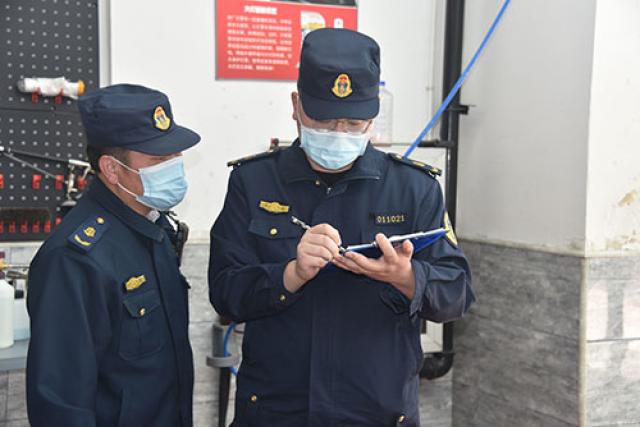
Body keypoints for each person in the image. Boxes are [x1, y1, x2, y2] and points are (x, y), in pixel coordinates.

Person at [209, 28, 475, 427]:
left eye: (353, 122)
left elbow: (457, 293)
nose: (338, 133)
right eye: (324, 120)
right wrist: (289, 275)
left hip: (376, 412)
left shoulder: (414, 188)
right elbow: (225, 293)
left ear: (372, 117)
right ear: (296, 105)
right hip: (276, 412)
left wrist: (407, 277)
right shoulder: (254, 182)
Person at [26, 84, 200, 426]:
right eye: (158, 159)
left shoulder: (153, 228)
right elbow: (61, 405)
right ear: (111, 169)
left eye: (175, 154)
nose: (174, 165)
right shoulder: (74, 259)